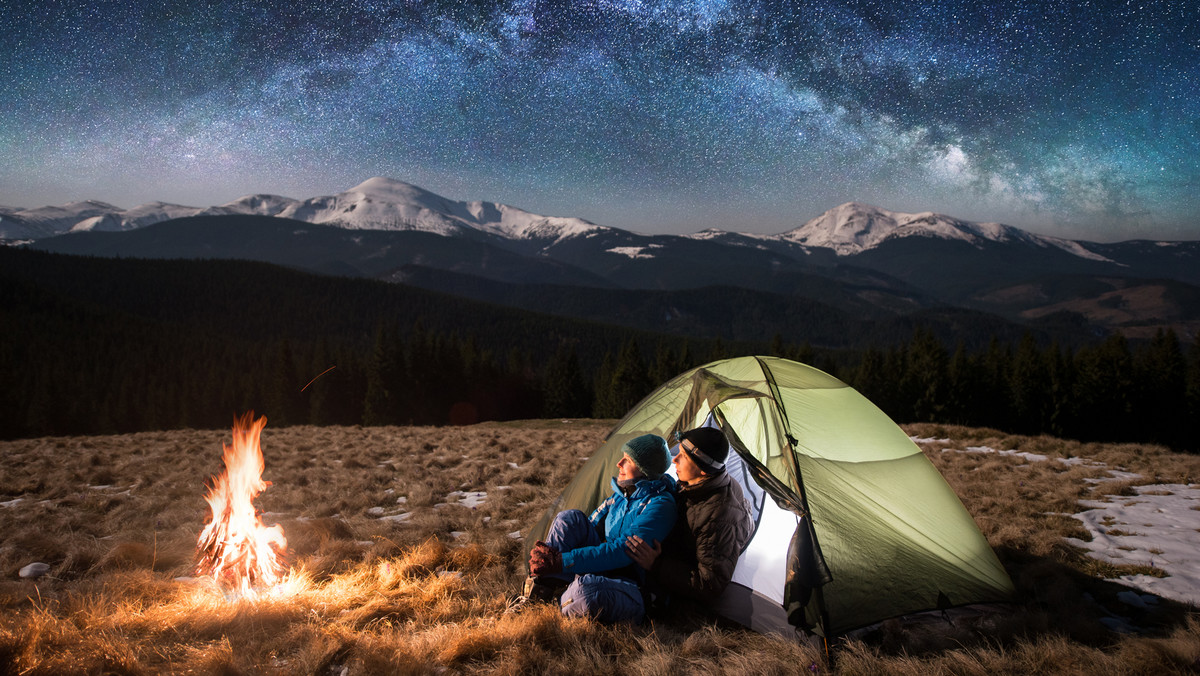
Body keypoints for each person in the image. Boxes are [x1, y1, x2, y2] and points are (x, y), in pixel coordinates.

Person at [522, 433, 676, 623]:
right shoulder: (620, 496)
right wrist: (553, 559)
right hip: (608, 572)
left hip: (636, 587)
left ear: (645, 469)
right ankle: (539, 592)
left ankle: (555, 604)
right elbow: (587, 527)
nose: (619, 463)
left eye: (627, 460)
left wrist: (563, 561)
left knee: (588, 591)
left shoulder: (660, 505)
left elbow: (623, 550)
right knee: (569, 519)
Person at [625, 426, 752, 610]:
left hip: (682, 587)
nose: (674, 459)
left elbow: (709, 584)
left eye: (683, 456)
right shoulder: (696, 484)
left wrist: (656, 564)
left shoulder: (718, 516)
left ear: (703, 470)